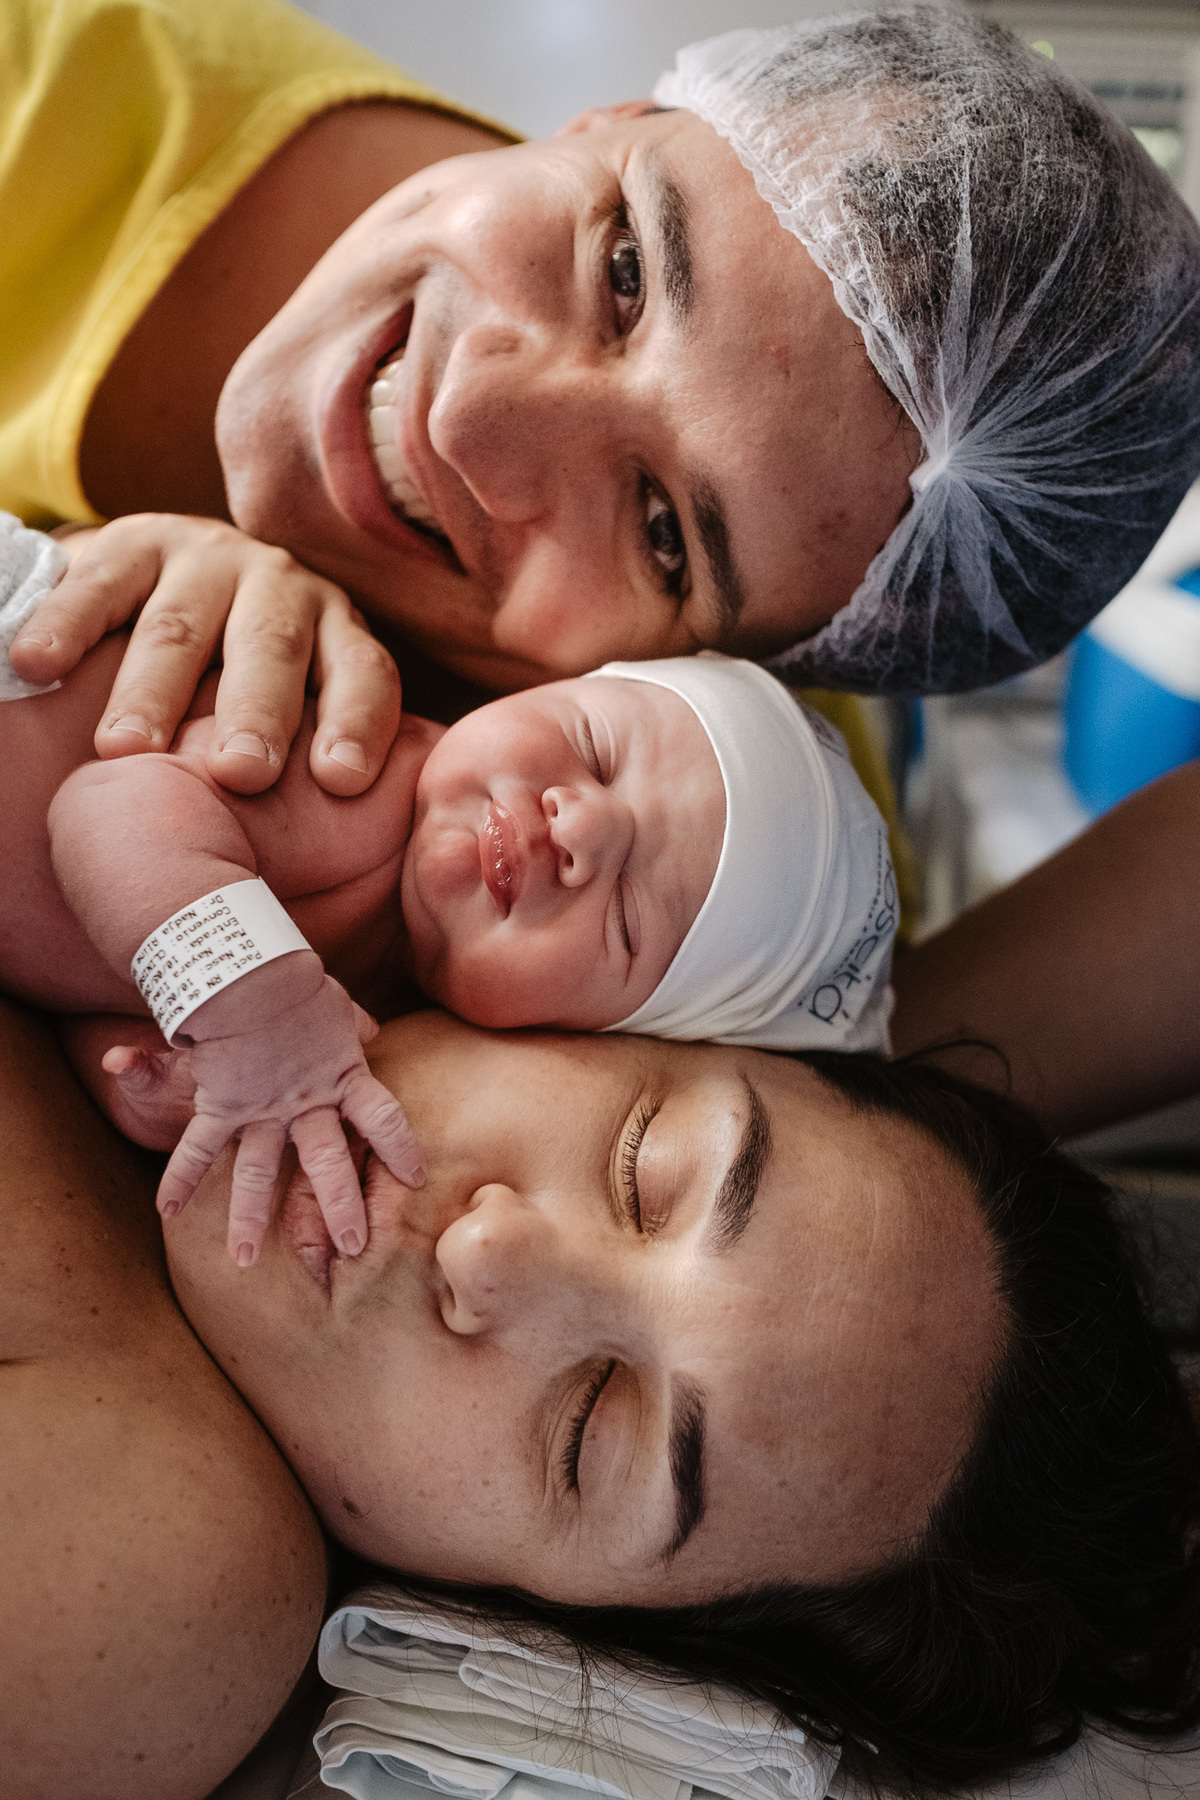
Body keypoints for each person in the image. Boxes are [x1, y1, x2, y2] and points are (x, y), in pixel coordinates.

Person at [6, 760, 1200, 1797]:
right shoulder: (412, 809)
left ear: (517, 1620)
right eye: (643, 1168)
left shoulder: (166, 1592)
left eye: (586, 1429)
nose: (488, 1253)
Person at [7, 0, 1200, 795]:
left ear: (746, 678)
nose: (472, 422)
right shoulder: (42, 61)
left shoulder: (676, 904)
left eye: (665, 536)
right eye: (627, 270)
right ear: (618, 117)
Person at [2, 510, 895, 1265]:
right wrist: (254, 1018)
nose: (580, 827)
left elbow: (100, 975)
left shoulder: (354, 1015)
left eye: (627, 920)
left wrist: (163, 1086)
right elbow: (105, 809)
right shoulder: (366, 785)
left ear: (585, 1042)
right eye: (594, 750)